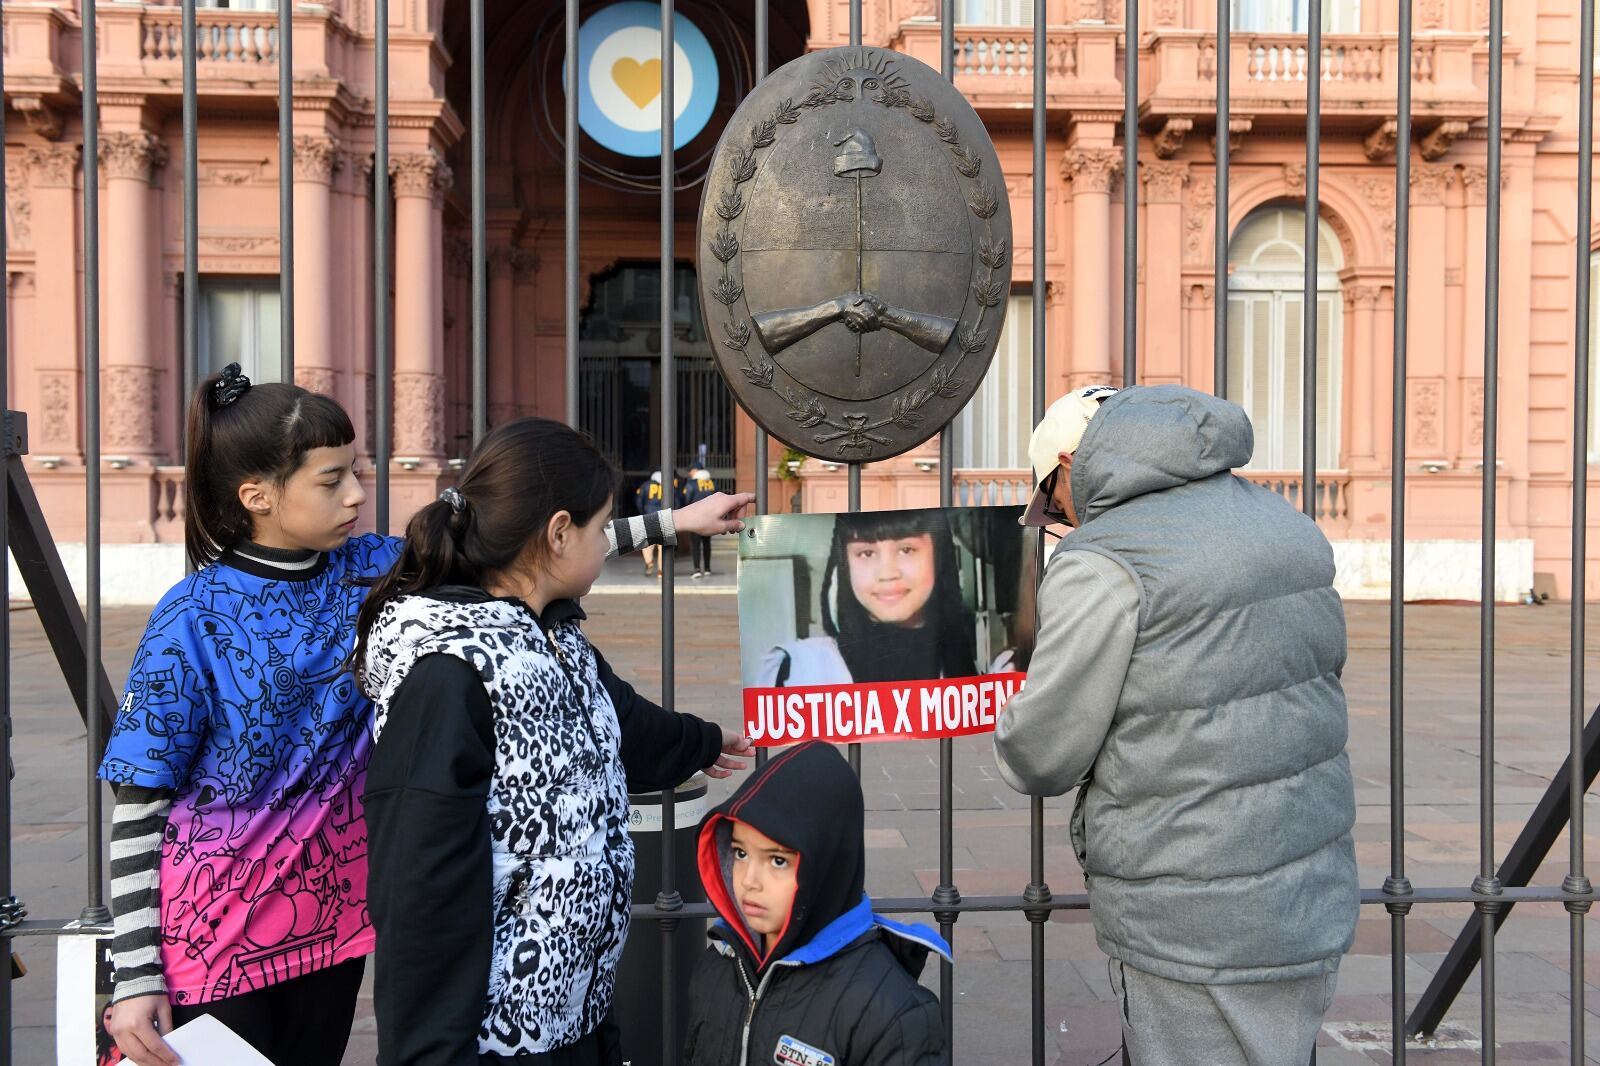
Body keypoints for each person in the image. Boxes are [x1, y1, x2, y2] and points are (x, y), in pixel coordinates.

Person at [98, 366, 753, 1066]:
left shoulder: (374, 570)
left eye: (355, 472)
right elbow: (140, 801)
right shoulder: (190, 619)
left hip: (332, 929)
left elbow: (526, 543)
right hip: (219, 939)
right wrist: (136, 975)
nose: (356, 494)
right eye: (330, 481)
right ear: (256, 496)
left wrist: (673, 522)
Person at [356, 417, 754, 1066]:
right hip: (494, 1041)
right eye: (601, 528)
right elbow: (415, 892)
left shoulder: (552, 636)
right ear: (559, 533)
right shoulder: (448, 675)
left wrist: (703, 742)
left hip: (575, 1011)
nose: (606, 542)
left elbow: (623, 726)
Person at [993, 384, 1358, 1065]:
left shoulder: (1104, 560)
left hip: (1187, 908)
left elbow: (1041, 754)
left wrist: (1008, 708)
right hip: (1308, 889)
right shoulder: (1286, 523)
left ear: (1071, 463)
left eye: (1051, 499)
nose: (1062, 517)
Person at [682, 741, 949, 1066]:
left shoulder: (894, 1014)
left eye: (777, 860)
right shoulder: (717, 968)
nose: (749, 880)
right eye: (740, 852)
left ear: (826, 866)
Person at [756, 509, 976, 687]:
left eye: (907, 549)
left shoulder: (972, 672)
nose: (887, 573)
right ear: (845, 565)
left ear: (939, 556)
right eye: (867, 553)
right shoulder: (794, 670)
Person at [633, 470, 676, 578]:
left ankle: (649, 562)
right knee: (662, 546)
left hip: (649, 517)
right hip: (664, 518)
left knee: (647, 542)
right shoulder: (669, 486)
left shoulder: (646, 485)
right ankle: (661, 571)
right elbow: (676, 500)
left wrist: (642, 512)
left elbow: (638, 500)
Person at [681, 466, 720, 578]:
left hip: (695, 518)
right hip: (709, 518)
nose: (689, 473)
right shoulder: (712, 483)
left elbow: (686, 499)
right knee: (707, 543)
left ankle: (697, 569)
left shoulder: (692, 484)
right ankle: (707, 568)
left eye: (690, 471)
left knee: (695, 544)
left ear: (696, 471)